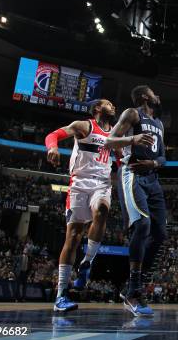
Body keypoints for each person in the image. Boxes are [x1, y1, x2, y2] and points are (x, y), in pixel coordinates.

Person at [45, 99, 117, 312]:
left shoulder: (116, 133)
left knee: (102, 210)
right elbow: (53, 135)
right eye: (108, 103)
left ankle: (87, 262)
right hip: (79, 182)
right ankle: (61, 295)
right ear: (97, 109)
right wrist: (52, 148)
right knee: (74, 236)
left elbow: (121, 157)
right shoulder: (84, 126)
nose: (112, 106)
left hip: (102, 183)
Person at [105, 85, 167, 318]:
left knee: (160, 233)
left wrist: (153, 164)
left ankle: (136, 284)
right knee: (142, 225)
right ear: (144, 97)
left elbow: (163, 157)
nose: (158, 95)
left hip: (152, 177)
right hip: (132, 174)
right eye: (154, 92)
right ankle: (133, 291)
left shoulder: (160, 124)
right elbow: (110, 142)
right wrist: (134, 137)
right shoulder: (133, 113)